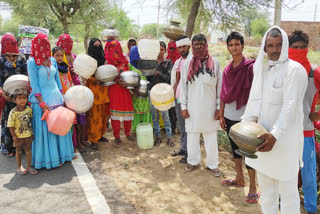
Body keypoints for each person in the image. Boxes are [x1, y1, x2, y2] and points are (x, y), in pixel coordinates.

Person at [241, 26, 308, 214]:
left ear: (285, 45)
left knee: (288, 195)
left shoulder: (295, 70)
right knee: (268, 192)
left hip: (284, 144)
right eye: (270, 45)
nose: (274, 50)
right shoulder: (264, 71)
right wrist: (245, 129)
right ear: (264, 48)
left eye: (279, 45)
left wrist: (275, 135)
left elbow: (290, 106)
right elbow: (255, 103)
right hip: (262, 142)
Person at [219, 32, 259, 203]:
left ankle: (252, 187)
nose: (234, 47)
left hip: (245, 118)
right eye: (231, 44)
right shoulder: (227, 70)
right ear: (227, 47)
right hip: (228, 116)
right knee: (235, 150)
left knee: (248, 152)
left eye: (237, 44)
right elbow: (223, 94)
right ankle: (239, 178)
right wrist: (221, 114)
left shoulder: (251, 67)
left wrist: (255, 117)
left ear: (243, 46)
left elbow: (257, 93)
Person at [28, 33, 75, 169]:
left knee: (61, 128)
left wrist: (62, 96)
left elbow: (57, 81)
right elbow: (34, 84)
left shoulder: (52, 60)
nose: (44, 47)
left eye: (46, 44)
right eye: (42, 44)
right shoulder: (32, 62)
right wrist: (42, 104)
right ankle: (50, 160)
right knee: (47, 131)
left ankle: (63, 155)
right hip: (43, 103)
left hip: (57, 100)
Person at [179, 34, 222, 176]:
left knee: (210, 137)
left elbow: (219, 88)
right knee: (192, 135)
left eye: (201, 43)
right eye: (195, 44)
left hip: (210, 109)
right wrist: (183, 107)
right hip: (192, 108)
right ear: (192, 45)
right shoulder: (187, 64)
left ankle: (213, 165)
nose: (198, 46)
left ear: (206, 44)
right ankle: (193, 162)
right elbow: (183, 87)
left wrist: (218, 108)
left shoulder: (215, 63)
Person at [288, 30, 319, 214]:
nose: (299, 51)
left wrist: (315, 116)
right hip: (283, 132)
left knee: (308, 176)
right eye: (295, 47)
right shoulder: (283, 70)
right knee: (286, 173)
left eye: (302, 47)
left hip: (306, 132)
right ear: (289, 48)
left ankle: (310, 209)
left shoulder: (314, 72)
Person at [56, 34, 87, 150]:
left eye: (69, 43)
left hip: (75, 87)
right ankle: (72, 144)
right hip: (64, 90)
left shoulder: (74, 56)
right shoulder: (56, 59)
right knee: (69, 120)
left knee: (79, 117)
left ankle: (80, 142)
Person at [0, 34, 28, 157]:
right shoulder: (0, 59)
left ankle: (20, 146)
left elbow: (26, 75)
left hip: (20, 95)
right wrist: (2, 92)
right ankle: (7, 146)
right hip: (6, 95)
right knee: (8, 121)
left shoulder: (22, 58)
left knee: (21, 120)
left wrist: (24, 93)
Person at [105, 40, 134, 144]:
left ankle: (127, 133)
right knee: (115, 113)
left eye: (115, 48)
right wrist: (116, 81)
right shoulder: (107, 63)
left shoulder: (125, 61)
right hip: (114, 89)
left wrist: (127, 84)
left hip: (125, 89)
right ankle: (116, 135)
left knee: (128, 111)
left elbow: (130, 75)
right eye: (110, 48)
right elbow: (106, 78)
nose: (113, 51)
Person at [147, 41, 174, 147]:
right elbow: (147, 77)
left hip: (163, 92)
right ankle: (158, 137)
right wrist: (150, 73)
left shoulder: (168, 62)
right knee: (154, 116)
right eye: (158, 49)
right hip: (152, 92)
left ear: (165, 51)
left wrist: (158, 73)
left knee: (165, 115)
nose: (159, 51)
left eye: (162, 49)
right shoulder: (151, 63)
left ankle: (169, 137)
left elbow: (168, 78)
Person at [170, 35, 192, 163]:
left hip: (189, 99)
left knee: (189, 125)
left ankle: (190, 152)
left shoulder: (193, 60)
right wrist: (172, 93)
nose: (182, 49)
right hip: (179, 98)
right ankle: (184, 148)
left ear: (188, 46)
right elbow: (176, 81)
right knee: (182, 125)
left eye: (184, 47)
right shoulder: (178, 61)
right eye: (180, 47)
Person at [86, 38, 109, 150]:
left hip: (103, 90)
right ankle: (93, 139)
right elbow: (85, 74)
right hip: (93, 90)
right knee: (94, 116)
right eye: (95, 45)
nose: (97, 47)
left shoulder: (103, 58)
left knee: (103, 115)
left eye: (99, 45)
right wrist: (94, 80)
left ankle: (100, 135)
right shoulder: (88, 60)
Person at [7, 89, 38, 175]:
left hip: (28, 135)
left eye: (24, 98)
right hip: (18, 136)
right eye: (20, 98)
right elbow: (10, 125)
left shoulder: (29, 109)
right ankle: (19, 166)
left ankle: (29, 166)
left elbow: (31, 120)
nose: (22, 100)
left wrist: (32, 132)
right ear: (14, 100)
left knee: (28, 150)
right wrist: (14, 136)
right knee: (18, 151)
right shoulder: (13, 112)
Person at [129, 46, 152, 133]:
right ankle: (136, 130)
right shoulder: (130, 65)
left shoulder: (144, 64)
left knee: (146, 109)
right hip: (134, 92)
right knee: (136, 111)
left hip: (145, 90)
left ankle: (146, 128)